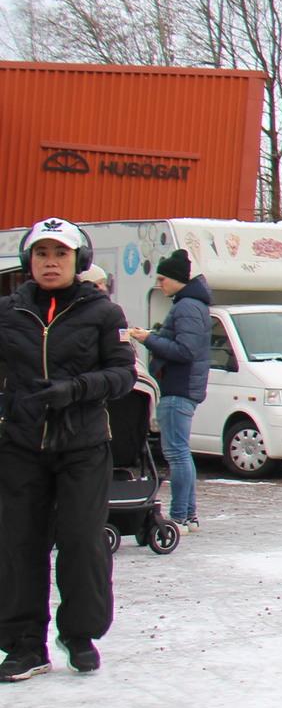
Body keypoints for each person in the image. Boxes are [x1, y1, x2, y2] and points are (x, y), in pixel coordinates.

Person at [0, 218, 137, 681]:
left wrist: (74, 389)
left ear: (79, 260)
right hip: (20, 447)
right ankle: (24, 644)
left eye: (60, 254)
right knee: (19, 543)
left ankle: (79, 634)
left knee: (81, 541)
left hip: (82, 445)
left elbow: (123, 376)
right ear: (28, 260)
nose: (50, 262)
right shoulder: (8, 313)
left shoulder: (103, 313)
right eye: (41, 254)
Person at [130, 248, 211, 531]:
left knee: (176, 454)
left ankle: (179, 516)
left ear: (178, 279)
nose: (159, 283)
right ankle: (189, 515)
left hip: (178, 388)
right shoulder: (192, 304)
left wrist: (148, 339)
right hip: (183, 387)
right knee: (181, 453)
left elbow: (185, 350)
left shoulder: (187, 306)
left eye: (163, 278)